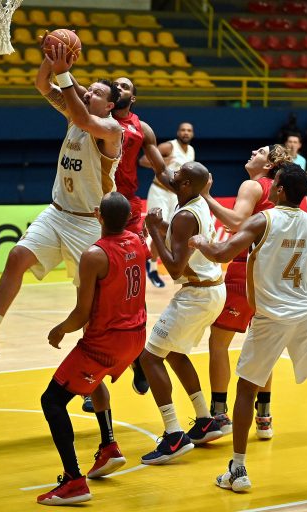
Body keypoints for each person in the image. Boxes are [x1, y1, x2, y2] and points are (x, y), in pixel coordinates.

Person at [189, 163, 307, 492]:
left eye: (274, 183)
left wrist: (198, 241)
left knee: (246, 389)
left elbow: (221, 252)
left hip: (271, 318)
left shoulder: (263, 221)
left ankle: (238, 469)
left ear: (279, 190)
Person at [0, 43, 122, 360]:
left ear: (110, 105)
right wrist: (50, 58)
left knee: (89, 299)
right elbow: (42, 84)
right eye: (88, 91)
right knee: (17, 256)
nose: (89, 94)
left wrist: (64, 72)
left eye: (97, 93)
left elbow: (84, 119)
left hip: (89, 222)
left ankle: (97, 363)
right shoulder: (74, 116)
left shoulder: (111, 129)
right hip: (57, 213)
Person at [37, 192, 147, 505]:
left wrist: (60, 329)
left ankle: (74, 481)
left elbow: (81, 314)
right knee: (93, 380)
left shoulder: (94, 255)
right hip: (136, 338)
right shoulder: (138, 242)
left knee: (52, 401)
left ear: (98, 215)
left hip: (105, 343)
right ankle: (109, 445)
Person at [70, 75, 172, 405]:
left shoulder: (143, 129)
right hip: (96, 205)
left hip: (128, 208)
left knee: (132, 289)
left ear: (132, 98)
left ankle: (137, 359)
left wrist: (192, 192)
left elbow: (162, 171)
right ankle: (93, 377)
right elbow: (78, 92)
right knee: (94, 294)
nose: (121, 87)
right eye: (117, 84)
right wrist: (62, 66)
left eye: (126, 86)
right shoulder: (98, 117)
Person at [200, 144, 292, 438]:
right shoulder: (280, 192)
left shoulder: (252, 186)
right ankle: (264, 418)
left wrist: (206, 197)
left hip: (246, 272)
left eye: (261, 151)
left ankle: (219, 414)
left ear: (268, 165)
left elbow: (237, 221)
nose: (253, 151)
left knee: (218, 342)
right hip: (274, 277)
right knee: (263, 349)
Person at [138, 161, 227, 465]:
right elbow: (181, 237)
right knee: (174, 353)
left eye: (178, 174)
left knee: (150, 357)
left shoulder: (186, 215)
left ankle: (174, 435)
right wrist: (163, 227)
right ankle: (204, 421)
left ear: (187, 184)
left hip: (197, 295)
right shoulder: (195, 203)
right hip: (210, 289)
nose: (172, 174)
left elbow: (175, 268)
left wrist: (153, 230)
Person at [139, 122, 195, 288]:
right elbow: (143, 160)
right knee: (159, 231)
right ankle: (152, 267)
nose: (186, 133)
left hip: (176, 196)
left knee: (171, 232)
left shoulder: (191, 151)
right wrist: (163, 161)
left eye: (189, 130)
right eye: (183, 130)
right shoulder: (168, 146)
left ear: (192, 134)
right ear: (178, 132)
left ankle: (157, 264)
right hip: (160, 192)